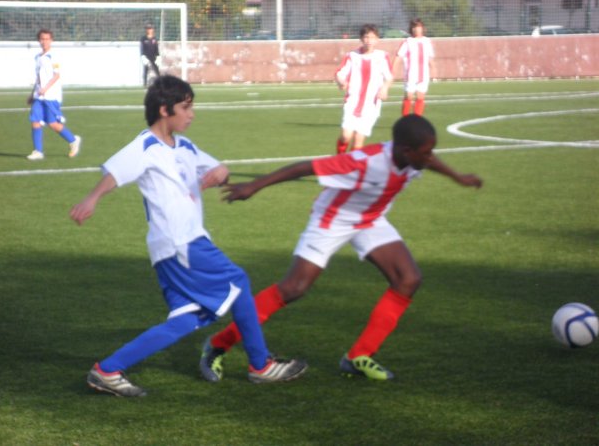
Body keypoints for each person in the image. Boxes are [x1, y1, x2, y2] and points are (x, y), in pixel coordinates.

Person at [70, 75, 307, 397]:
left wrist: (221, 172)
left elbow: (218, 169)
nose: (191, 114)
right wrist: (92, 198)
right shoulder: (146, 146)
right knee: (238, 282)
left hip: (178, 245)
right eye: (186, 107)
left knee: (188, 319)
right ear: (164, 109)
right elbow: (115, 173)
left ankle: (108, 370)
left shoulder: (185, 147)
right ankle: (260, 365)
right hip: (180, 242)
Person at [200, 115, 482, 382]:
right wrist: (255, 186)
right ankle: (218, 344)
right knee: (294, 288)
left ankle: (358, 356)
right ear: (406, 150)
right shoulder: (365, 162)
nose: (430, 158)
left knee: (408, 279)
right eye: (426, 152)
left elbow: (431, 162)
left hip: (371, 220)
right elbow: (307, 167)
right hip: (331, 221)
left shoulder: (412, 158)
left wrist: (458, 177)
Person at [334, 24, 393, 155]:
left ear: (377, 39)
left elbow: (389, 77)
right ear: (361, 39)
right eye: (366, 37)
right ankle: (340, 159)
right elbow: (339, 74)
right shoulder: (352, 56)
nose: (369, 40)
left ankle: (349, 165)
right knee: (345, 136)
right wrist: (341, 81)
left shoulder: (382, 56)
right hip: (352, 102)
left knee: (358, 142)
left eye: (372, 37)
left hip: (371, 105)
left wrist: (385, 88)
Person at [26, 29, 81, 161]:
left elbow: (56, 75)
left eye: (47, 39)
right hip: (39, 96)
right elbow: (38, 78)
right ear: (39, 40)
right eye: (42, 39)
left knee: (53, 124)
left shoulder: (53, 56)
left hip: (51, 96)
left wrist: (45, 88)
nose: (44, 41)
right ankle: (38, 151)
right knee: (35, 121)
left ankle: (73, 140)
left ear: (51, 40)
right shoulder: (37, 57)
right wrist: (32, 94)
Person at [393, 18, 435, 117]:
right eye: (414, 27)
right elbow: (398, 57)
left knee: (420, 97)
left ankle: (417, 120)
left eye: (419, 27)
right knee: (409, 96)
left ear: (422, 28)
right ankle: (405, 120)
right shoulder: (408, 42)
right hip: (410, 75)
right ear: (411, 29)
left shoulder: (427, 41)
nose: (416, 29)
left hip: (423, 75)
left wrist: (433, 69)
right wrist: (393, 70)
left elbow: (430, 58)